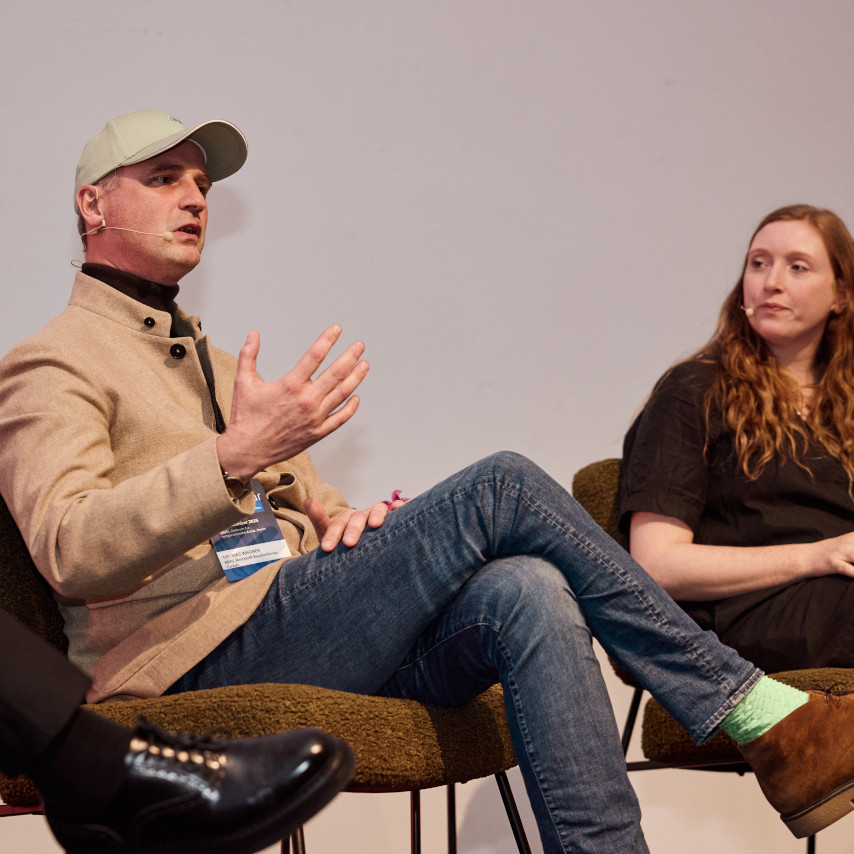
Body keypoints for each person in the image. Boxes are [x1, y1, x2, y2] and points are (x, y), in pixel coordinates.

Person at [1, 113, 853, 854]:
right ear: (93, 205)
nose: (194, 197)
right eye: (163, 179)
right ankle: (756, 712)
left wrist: (354, 521)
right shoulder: (51, 362)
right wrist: (228, 461)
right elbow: (72, 548)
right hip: (188, 660)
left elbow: (315, 510)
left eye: (200, 182)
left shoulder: (222, 368)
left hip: (295, 619)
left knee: (527, 585)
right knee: (506, 486)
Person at [621, 203, 854, 674]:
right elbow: (657, 565)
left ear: (841, 297)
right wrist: (817, 556)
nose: (772, 282)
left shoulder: (847, 401)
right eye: (759, 263)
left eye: (798, 266)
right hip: (743, 617)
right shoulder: (693, 391)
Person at [0, 607, 354, 854]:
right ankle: (93, 768)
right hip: (186, 640)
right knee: (412, 535)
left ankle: (91, 769)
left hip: (293, 577)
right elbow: (68, 545)